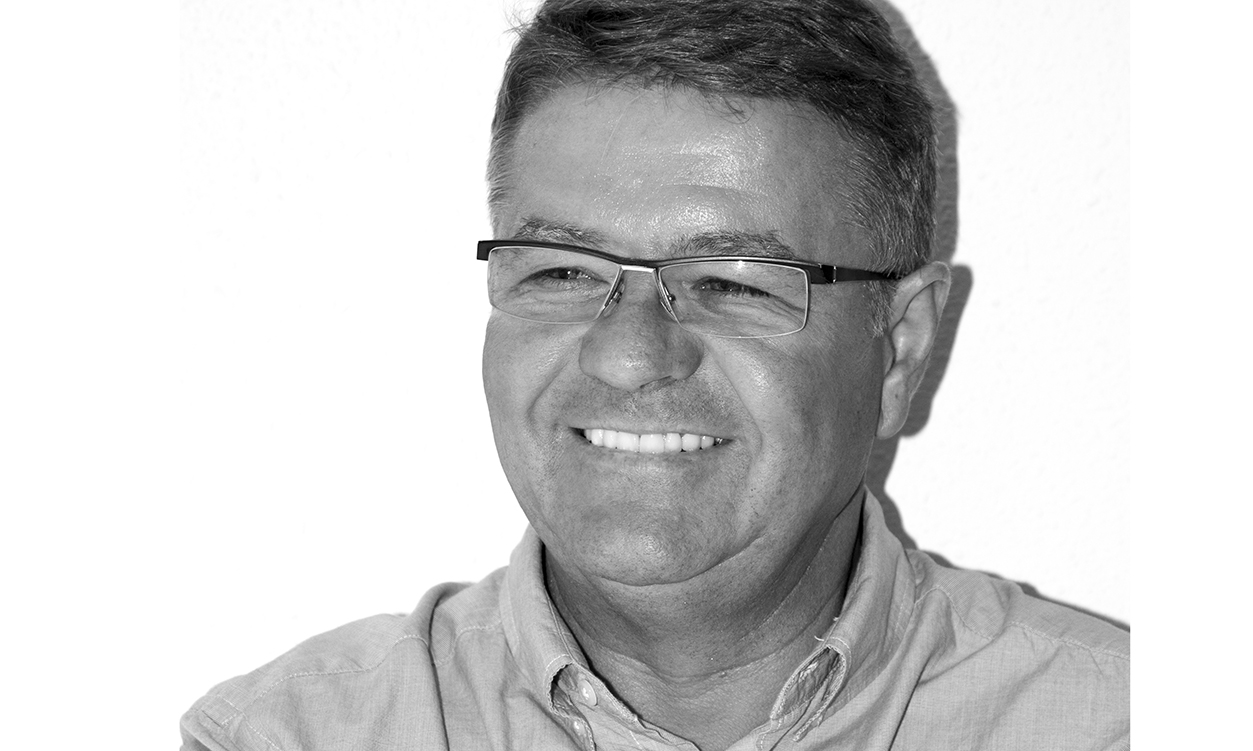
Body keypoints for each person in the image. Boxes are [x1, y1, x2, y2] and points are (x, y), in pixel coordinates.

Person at [181, 0, 1129, 748]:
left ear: (901, 348)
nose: (629, 356)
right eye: (561, 272)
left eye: (732, 281)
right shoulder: (287, 736)